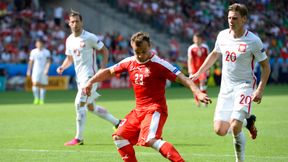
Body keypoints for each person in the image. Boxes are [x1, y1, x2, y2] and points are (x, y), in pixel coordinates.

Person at [83, 32, 212, 162]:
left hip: (155, 109)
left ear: (150, 46)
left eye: (144, 51)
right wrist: (90, 82)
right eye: (136, 52)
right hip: (138, 111)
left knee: (151, 139)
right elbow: (109, 72)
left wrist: (198, 92)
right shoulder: (130, 62)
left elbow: (183, 78)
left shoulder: (160, 64)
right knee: (119, 137)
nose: (140, 55)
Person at [190, 3, 271, 162]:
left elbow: (266, 66)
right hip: (226, 88)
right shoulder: (222, 36)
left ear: (244, 19)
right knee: (220, 130)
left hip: (245, 87)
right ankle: (248, 122)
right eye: (229, 18)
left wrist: (259, 90)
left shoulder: (253, 41)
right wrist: (199, 72)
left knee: (234, 126)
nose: (231, 21)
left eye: (235, 18)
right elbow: (214, 54)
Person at [56, 10, 121, 146]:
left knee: (78, 104)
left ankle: (78, 138)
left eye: (77, 21)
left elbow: (105, 51)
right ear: (69, 23)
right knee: (91, 107)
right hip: (80, 79)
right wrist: (62, 67)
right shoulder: (69, 40)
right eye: (72, 22)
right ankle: (118, 123)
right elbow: (69, 59)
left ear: (82, 22)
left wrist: (102, 69)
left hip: (90, 77)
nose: (75, 24)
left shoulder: (90, 37)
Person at [187, 32, 210, 107]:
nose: (196, 40)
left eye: (197, 38)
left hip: (202, 69)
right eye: (194, 39)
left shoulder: (205, 47)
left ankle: (204, 100)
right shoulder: (191, 48)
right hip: (194, 70)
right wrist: (190, 69)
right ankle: (197, 101)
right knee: (195, 86)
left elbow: (208, 58)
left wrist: (208, 69)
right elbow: (190, 59)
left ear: (200, 39)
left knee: (202, 84)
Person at [26, 38, 51, 105]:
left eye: (40, 43)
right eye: (37, 43)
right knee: (35, 84)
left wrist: (46, 69)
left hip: (43, 71)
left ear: (42, 44)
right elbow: (31, 62)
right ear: (36, 44)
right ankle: (36, 98)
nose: (38, 44)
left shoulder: (47, 52)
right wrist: (29, 70)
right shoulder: (33, 52)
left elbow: (48, 62)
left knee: (43, 85)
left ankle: (42, 100)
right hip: (35, 70)